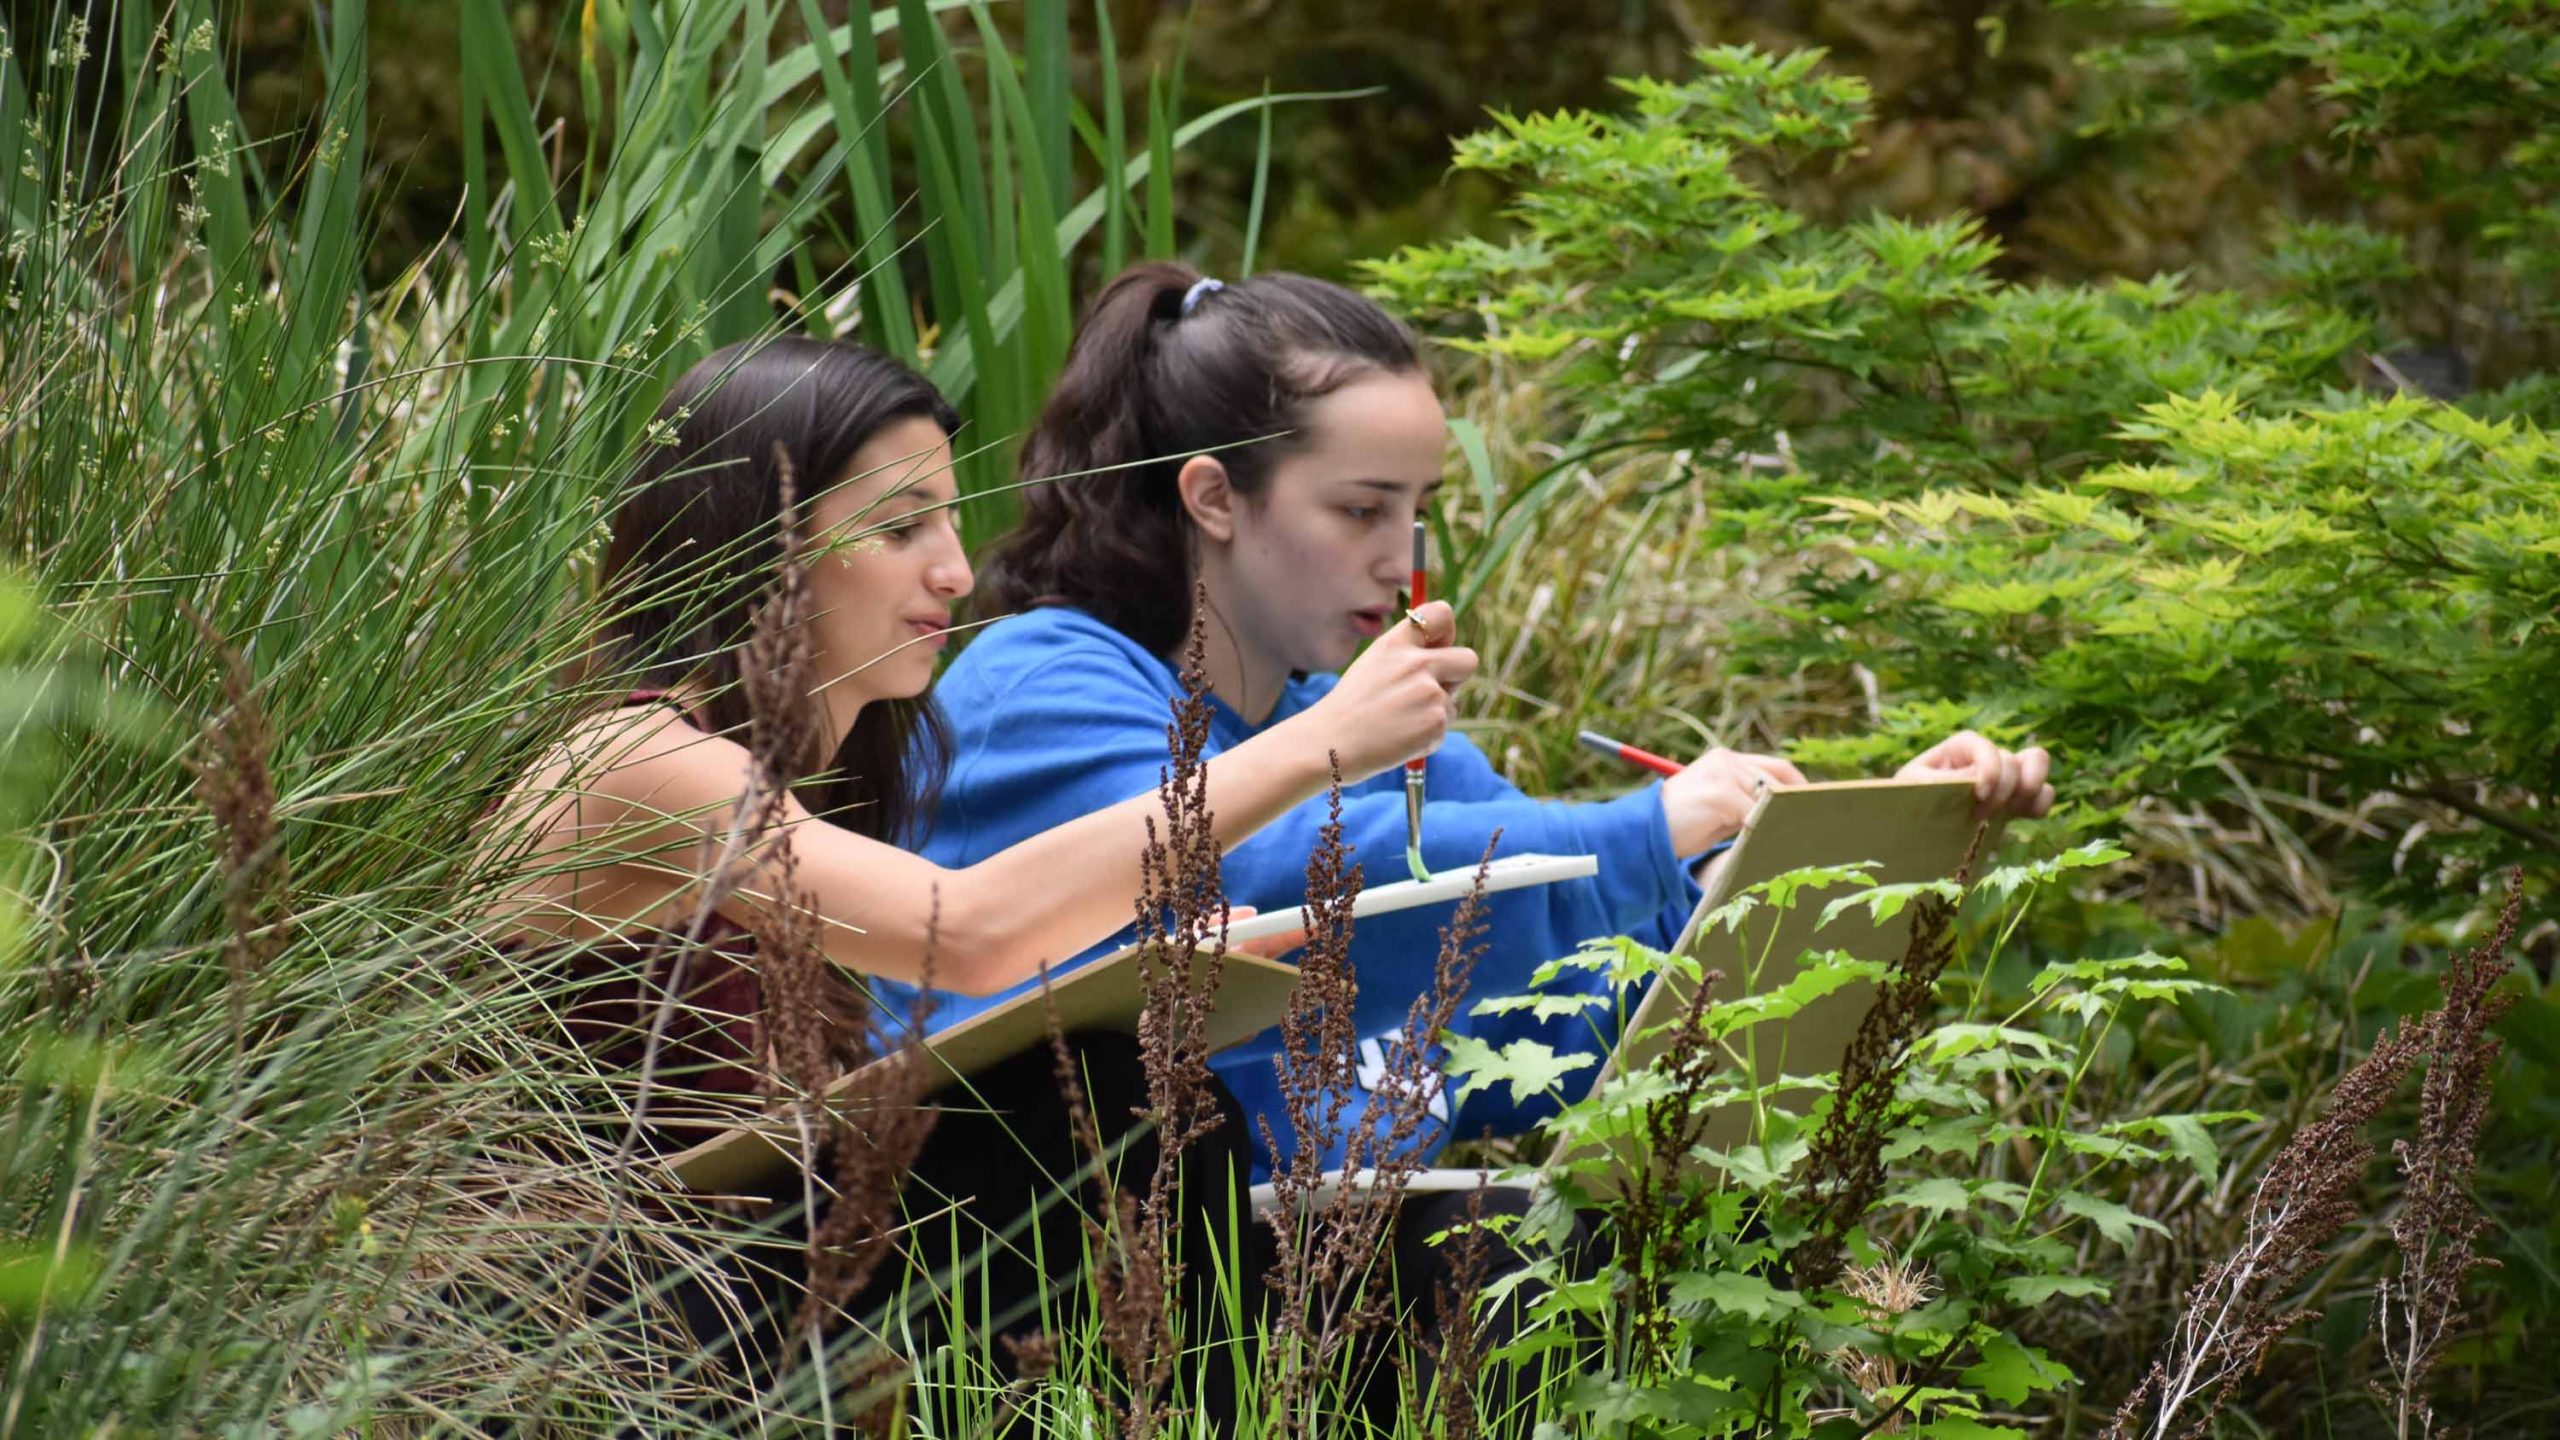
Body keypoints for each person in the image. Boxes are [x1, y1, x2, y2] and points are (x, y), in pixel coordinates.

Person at [474, 335, 1475, 1414]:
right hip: (568, 1329)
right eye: (902, 527)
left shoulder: (790, 784)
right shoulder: (634, 765)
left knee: (1423, 1250)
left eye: (950, 522)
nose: (953, 569)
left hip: (704, 1293)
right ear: (758, 547)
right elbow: (969, 931)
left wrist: (1140, 972)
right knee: (1097, 1098)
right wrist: (1317, 743)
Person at [889, 263, 2056, 1179]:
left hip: (1304, 1283)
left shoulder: (1340, 720)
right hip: (1051, 1309)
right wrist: (1647, 829)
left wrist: (1854, 862)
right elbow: (1259, 881)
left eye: (1420, 509)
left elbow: (1546, 1023)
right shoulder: (1041, 686)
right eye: (1360, 508)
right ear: (1212, 497)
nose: (1404, 558)